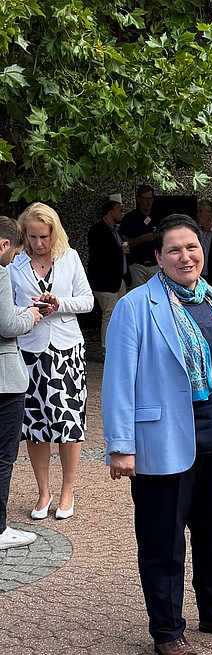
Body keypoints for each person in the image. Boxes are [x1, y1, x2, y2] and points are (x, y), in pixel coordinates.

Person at [102, 213, 212, 655]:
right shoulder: (136, 306)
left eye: (192, 247)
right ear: (158, 257)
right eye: (173, 249)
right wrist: (121, 445)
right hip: (164, 443)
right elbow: (118, 380)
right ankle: (168, 630)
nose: (185, 256)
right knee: (163, 541)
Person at [8, 203, 94, 521]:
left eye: (44, 236)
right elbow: (7, 307)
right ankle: (43, 492)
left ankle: (67, 490)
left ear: (54, 232)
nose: (38, 243)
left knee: (68, 422)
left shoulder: (69, 257)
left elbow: (87, 300)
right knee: (35, 425)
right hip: (29, 350)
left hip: (67, 349)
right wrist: (29, 311)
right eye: (32, 237)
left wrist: (59, 304)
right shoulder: (15, 262)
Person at [0, 217, 40, 550]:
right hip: (5, 380)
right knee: (3, 457)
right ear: (4, 244)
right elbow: (7, 326)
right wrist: (31, 316)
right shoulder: (0, 271)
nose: (14, 259)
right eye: (14, 252)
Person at [87, 199, 131, 351]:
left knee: (121, 314)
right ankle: (107, 349)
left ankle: (119, 346)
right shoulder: (97, 230)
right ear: (111, 213)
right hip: (105, 281)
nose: (121, 213)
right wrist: (119, 251)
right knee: (109, 314)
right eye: (119, 210)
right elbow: (99, 255)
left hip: (119, 279)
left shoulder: (115, 231)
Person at [119, 185, 163, 288]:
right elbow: (124, 242)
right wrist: (143, 238)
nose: (148, 202)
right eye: (145, 199)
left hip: (156, 264)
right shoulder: (130, 218)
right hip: (137, 266)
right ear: (139, 199)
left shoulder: (159, 216)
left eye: (150, 199)